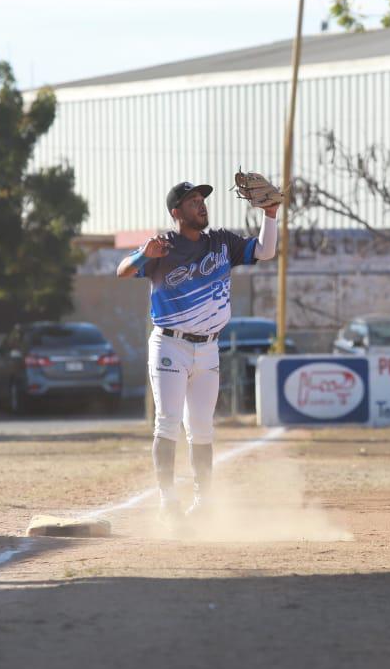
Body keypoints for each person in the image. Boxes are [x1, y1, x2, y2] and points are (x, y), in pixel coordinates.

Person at [116, 181, 277, 528]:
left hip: (208, 348)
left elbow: (264, 251)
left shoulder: (221, 242)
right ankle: (168, 500)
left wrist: (271, 214)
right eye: (192, 201)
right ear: (176, 213)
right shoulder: (164, 247)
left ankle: (204, 501)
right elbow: (123, 270)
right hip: (170, 345)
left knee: (202, 429)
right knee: (168, 421)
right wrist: (145, 253)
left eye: (202, 200)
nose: (200, 205)